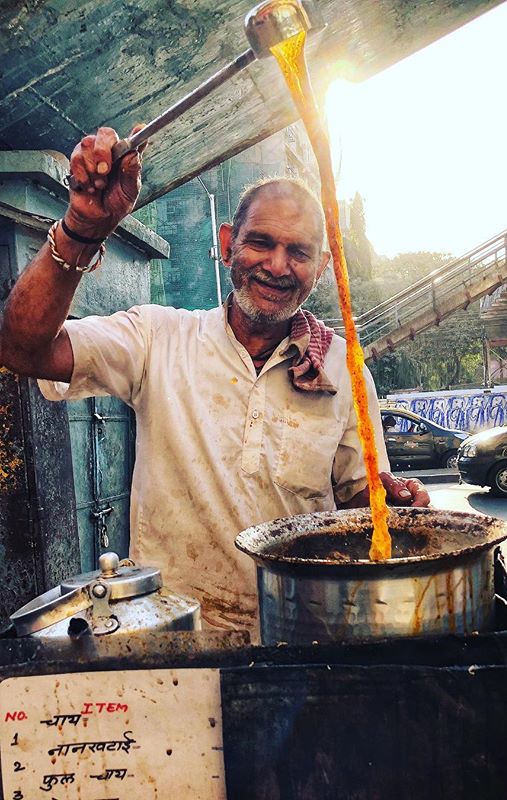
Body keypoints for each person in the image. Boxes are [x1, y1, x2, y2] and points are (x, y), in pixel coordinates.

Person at [0, 126, 430, 641]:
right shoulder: (157, 338)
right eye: (260, 243)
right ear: (227, 244)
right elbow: (22, 349)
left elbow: (361, 503)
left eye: (298, 252)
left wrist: (395, 504)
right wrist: (82, 226)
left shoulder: (343, 370)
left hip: (298, 640)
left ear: (321, 267)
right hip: (171, 641)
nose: (277, 265)